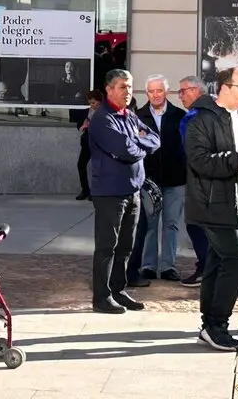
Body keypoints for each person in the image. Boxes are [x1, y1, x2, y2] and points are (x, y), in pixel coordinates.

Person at [184, 66, 238, 352]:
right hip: (214, 206)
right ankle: (217, 325)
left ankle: (208, 325)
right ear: (224, 87)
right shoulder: (200, 118)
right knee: (237, 265)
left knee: (217, 264)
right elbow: (201, 162)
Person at [87, 69, 160, 314]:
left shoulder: (129, 116)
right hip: (109, 192)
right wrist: (140, 146)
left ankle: (118, 289)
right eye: (121, 87)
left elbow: (154, 139)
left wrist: (138, 143)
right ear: (108, 90)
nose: (127, 91)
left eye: (129, 86)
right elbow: (125, 150)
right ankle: (101, 297)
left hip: (133, 191)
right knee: (107, 245)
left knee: (126, 246)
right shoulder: (102, 118)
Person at [135, 75, 187, 282]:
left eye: (159, 90)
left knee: (171, 224)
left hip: (175, 179)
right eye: (151, 91)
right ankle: (148, 265)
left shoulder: (179, 115)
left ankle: (168, 266)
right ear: (146, 93)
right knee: (149, 224)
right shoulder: (138, 116)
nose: (155, 95)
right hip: (149, 182)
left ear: (166, 91)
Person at [177, 75, 209, 287]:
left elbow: (192, 153)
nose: (180, 96)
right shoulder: (212, 110)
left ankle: (206, 268)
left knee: (196, 225)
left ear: (197, 90)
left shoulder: (194, 117)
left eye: (184, 91)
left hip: (201, 180)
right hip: (207, 179)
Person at [75, 90, 102, 201]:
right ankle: (85, 189)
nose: (92, 105)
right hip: (87, 143)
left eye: (94, 103)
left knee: (96, 168)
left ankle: (96, 191)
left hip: (98, 144)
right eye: (90, 102)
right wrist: (84, 126)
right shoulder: (85, 112)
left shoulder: (104, 112)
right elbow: (79, 127)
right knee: (81, 165)